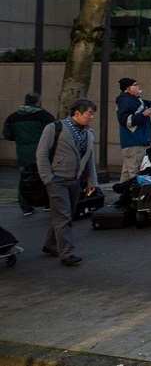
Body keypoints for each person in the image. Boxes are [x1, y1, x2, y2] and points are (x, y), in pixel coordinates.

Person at [36, 98, 99, 266]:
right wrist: (48, 178)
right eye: (89, 114)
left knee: (65, 214)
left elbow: (90, 158)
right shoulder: (54, 128)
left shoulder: (87, 133)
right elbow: (41, 154)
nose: (91, 117)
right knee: (64, 216)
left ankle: (50, 244)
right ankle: (67, 253)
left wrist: (92, 181)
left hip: (74, 180)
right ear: (77, 113)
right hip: (57, 179)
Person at [3, 92, 56, 216]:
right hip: (42, 153)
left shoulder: (13, 117)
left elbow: (7, 134)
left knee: (24, 180)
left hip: (23, 154)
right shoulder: (44, 116)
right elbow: (54, 133)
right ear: (38, 102)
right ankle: (48, 204)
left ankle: (26, 207)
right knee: (46, 178)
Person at [115, 77, 151, 181]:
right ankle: (136, 196)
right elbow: (126, 121)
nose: (138, 86)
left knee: (127, 176)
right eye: (135, 85)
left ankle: (124, 195)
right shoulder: (126, 101)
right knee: (136, 174)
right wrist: (143, 114)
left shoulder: (135, 100)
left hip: (136, 143)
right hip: (134, 143)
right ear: (128, 88)